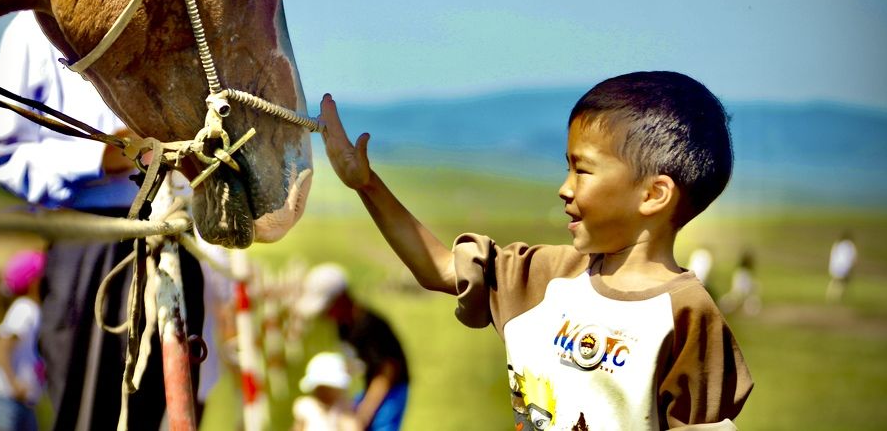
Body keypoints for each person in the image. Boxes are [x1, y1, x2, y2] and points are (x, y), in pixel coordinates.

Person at [320, 71, 753, 429]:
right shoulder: (544, 277)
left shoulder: (687, 317)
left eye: (581, 169)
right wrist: (367, 185)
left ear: (654, 194)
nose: (563, 188)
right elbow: (439, 268)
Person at [0, 11, 204, 431]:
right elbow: (1, 152)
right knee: (88, 417)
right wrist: (100, 158)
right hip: (90, 248)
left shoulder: (174, 15)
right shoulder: (32, 27)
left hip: (173, 238)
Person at [296, 264, 409, 431]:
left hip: (390, 391)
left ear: (341, 299)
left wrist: (364, 414)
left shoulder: (370, 327)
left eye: (328, 307)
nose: (325, 315)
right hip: (367, 387)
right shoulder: (343, 327)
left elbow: (387, 373)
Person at [0, 250, 47, 431]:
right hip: (6, 400)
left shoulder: (32, 309)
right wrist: (14, 382)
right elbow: (1, 348)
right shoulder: (25, 308)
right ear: (34, 282)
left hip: (23, 402)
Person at [291, 352, 360, 431]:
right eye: (321, 388)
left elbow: (351, 426)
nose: (324, 392)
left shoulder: (342, 408)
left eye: (328, 388)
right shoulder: (307, 406)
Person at [717, 249, 761, 316]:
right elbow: (741, 290)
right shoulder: (742, 273)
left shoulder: (741, 272)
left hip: (741, 297)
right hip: (739, 296)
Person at [826, 232, 857, 303]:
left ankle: (831, 295)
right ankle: (837, 297)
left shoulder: (837, 244)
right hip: (845, 267)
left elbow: (833, 255)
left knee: (836, 281)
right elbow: (853, 258)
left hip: (835, 266)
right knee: (842, 283)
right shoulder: (850, 245)